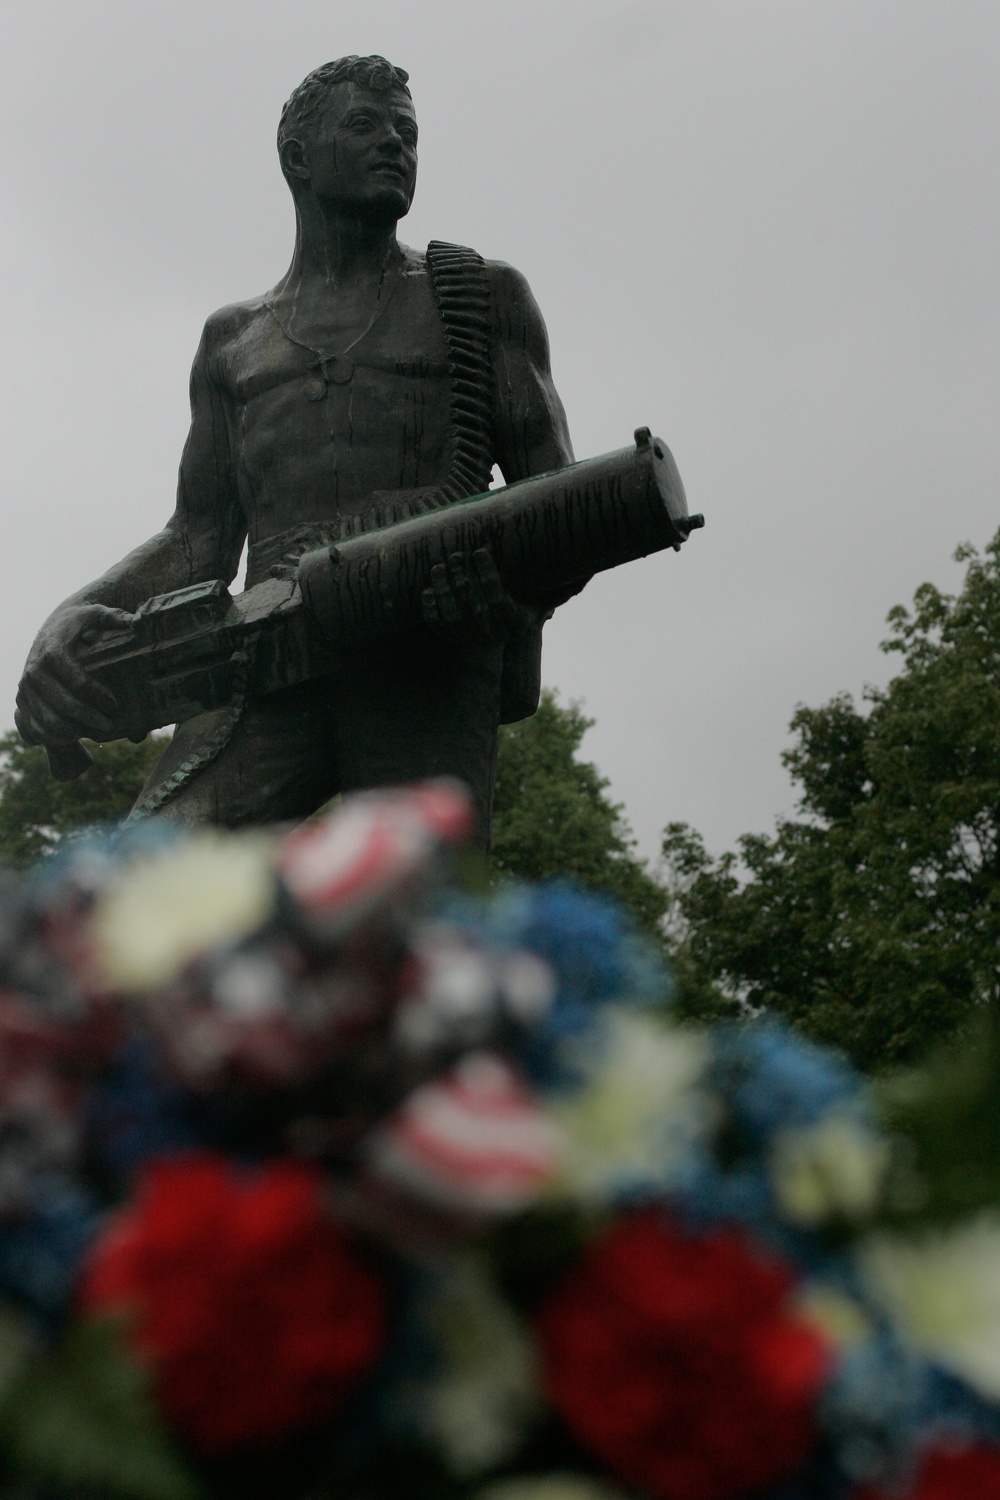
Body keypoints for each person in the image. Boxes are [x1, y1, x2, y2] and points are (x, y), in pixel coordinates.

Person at [14, 55, 575, 842]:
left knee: (410, 923)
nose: (396, 145)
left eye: (408, 133)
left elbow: (560, 500)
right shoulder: (233, 341)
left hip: (423, 652)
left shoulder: (480, 296)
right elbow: (199, 538)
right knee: (136, 885)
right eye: (366, 126)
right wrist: (73, 616)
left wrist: (512, 597)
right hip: (263, 661)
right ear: (298, 158)